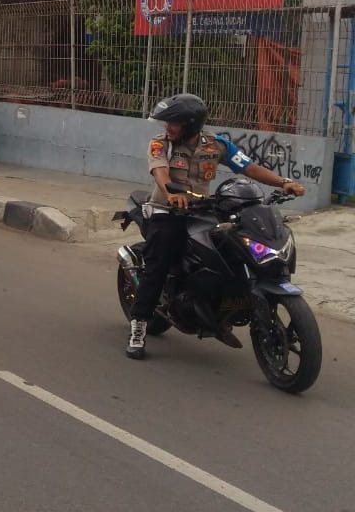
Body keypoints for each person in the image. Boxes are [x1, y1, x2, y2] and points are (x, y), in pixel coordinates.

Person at [124, 93, 305, 360]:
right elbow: (160, 170)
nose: (167, 127)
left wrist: (283, 182)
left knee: (232, 246)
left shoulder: (215, 145)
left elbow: (249, 168)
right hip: (167, 211)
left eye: (172, 122)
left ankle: (223, 302)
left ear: (190, 124)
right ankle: (138, 327)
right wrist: (171, 193)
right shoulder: (160, 144)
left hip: (204, 210)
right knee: (158, 264)